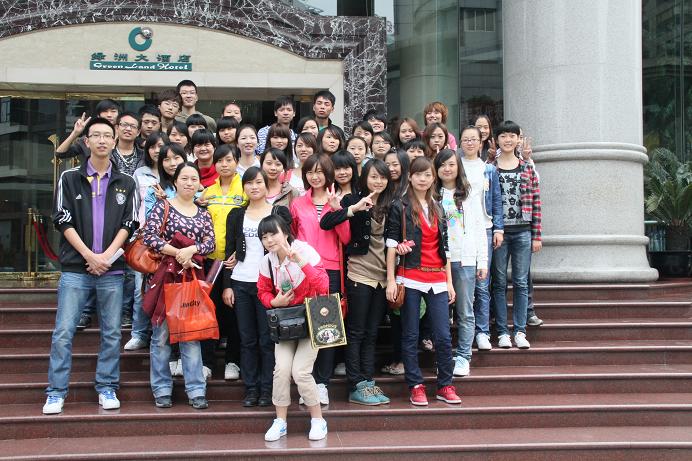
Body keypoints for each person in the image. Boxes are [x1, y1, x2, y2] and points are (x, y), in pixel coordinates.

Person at [43, 117, 139, 415]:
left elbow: (130, 223)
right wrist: (89, 256)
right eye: (95, 135)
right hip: (76, 269)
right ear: (86, 142)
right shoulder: (69, 178)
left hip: (111, 271)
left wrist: (106, 257)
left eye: (106, 135)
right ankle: (56, 392)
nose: (101, 140)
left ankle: (107, 387)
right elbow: (62, 219)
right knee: (63, 332)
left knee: (112, 333)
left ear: (114, 141)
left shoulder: (126, 181)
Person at [385, 157, 460, 406]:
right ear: (410, 177)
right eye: (418, 174)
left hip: (437, 276)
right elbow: (391, 246)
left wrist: (449, 282)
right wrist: (391, 280)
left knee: (443, 336)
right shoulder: (400, 206)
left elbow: (445, 248)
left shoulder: (438, 207)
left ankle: (445, 385)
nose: (423, 179)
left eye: (427, 175)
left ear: (433, 178)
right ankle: (415, 385)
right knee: (410, 334)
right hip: (410, 275)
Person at [142, 162, 215, 410]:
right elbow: (149, 236)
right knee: (161, 336)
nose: (189, 183)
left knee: (190, 335)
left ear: (199, 184)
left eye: (194, 179)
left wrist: (191, 249)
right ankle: (161, 388)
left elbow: (210, 243)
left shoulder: (203, 213)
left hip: (190, 280)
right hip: (166, 278)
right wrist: (178, 253)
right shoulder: (163, 206)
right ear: (175, 181)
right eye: (184, 178)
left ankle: (196, 390)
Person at [321, 159, 394, 405]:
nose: (378, 181)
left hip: (382, 277)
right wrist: (352, 209)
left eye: (382, 177)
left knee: (372, 333)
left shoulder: (391, 204)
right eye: (373, 176)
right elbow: (326, 223)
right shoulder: (353, 200)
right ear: (364, 178)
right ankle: (355, 385)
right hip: (359, 274)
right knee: (356, 331)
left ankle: (368, 382)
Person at [256, 214, 329, 442]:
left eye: (273, 234)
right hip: (286, 324)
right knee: (281, 370)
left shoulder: (305, 251)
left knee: (301, 372)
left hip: (311, 319)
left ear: (286, 232)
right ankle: (280, 422)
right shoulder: (267, 261)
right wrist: (273, 302)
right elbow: (262, 292)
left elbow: (324, 286)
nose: (269, 240)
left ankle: (318, 420)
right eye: (264, 236)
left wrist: (300, 262)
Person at [222, 167, 291, 407]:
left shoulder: (277, 212)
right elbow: (229, 251)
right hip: (241, 282)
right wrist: (227, 285)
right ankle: (251, 389)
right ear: (243, 187)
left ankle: (267, 389)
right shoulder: (236, 215)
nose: (254, 187)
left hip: (268, 284)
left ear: (266, 184)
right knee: (247, 339)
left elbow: (287, 247)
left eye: (259, 182)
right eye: (249, 183)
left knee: (267, 339)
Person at [290, 154, 350, 405]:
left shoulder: (337, 201)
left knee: (327, 327)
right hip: (304, 269)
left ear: (328, 175)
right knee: (306, 328)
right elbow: (293, 236)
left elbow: (345, 238)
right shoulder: (297, 203)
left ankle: (322, 383)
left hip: (330, 269)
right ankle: (307, 383)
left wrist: (337, 210)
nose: (315, 177)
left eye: (319, 172)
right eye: (310, 172)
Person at [434, 149, 488, 377]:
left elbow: (479, 228)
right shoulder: (432, 195)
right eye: (442, 165)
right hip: (438, 261)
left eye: (451, 164)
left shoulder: (469, 194)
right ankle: (444, 357)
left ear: (458, 167)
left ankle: (464, 356)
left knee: (465, 311)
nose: (447, 169)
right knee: (441, 314)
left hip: (465, 259)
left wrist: (482, 260)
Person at [491, 121, 542, 350]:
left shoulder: (527, 167)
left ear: (518, 139)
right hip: (498, 233)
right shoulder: (490, 168)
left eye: (512, 136)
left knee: (521, 283)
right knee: (499, 283)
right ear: (497, 140)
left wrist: (536, 235)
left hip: (522, 231)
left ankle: (520, 331)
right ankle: (503, 331)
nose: (508, 139)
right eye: (503, 135)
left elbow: (537, 202)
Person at [199, 144, 246, 380]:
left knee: (235, 313)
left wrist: (240, 252)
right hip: (210, 261)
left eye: (229, 160)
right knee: (209, 311)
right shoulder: (208, 191)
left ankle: (233, 362)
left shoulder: (245, 188)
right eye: (220, 160)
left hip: (236, 261)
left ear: (237, 161)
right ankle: (206, 362)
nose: (224, 164)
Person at [457, 126, 503, 352]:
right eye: (465, 139)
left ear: (480, 142)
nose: (470, 143)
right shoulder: (455, 166)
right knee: (461, 283)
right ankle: (462, 329)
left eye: (473, 139)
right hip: (459, 229)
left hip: (484, 227)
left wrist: (498, 228)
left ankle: (482, 331)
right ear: (460, 143)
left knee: (482, 282)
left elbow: (496, 199)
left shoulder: (489, 169)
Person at [125, 132, 168, 352]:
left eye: (161, 146)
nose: (157, 150)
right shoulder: (140, 173)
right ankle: (139, 333)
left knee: (164, 289)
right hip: (145, 236)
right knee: (140, 288)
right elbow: (134, 203)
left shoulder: (174, 172)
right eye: (153, 146)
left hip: (169, 239)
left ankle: (157, 333)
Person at [55, 99, 121, 164]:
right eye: (105, 111)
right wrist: (75, 133)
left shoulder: (125, 137)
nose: (109, 115)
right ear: (98, 115)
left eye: (113, 111)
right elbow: (60, 154)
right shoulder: (89, 139)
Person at [143, 143, 186, 219]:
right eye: (166, 160)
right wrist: (162, 202)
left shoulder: (193, 186)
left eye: (176, 158)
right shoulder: (154, 190)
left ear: (184, 159)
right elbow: (150, 220)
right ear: (161, 164)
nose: (172, 164)